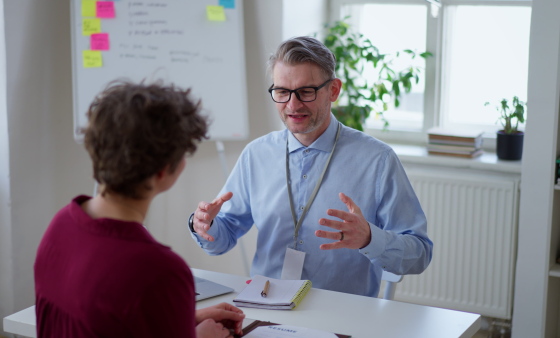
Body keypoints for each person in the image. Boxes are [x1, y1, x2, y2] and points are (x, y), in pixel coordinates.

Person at [188, 36, 433, 297]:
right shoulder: (256, 155)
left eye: (306, 92)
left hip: (343, 316)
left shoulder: (378, 161)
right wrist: (204, 225)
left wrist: (369, 238)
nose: (293, 105)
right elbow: (221, 240)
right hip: (265, 307)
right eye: (282, 92)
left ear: (334, 90)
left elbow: (419, 254)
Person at [34, 80, 245, 338]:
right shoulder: (160, 271)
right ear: (165, 171)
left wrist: (181, 319)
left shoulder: (60, 225)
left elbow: (102, 321)